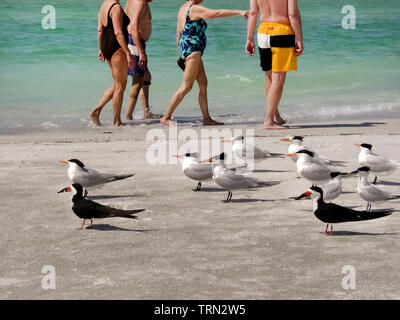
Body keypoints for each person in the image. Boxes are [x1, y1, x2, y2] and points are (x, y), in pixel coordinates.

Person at [160, 0, 248, 126]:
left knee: (203, 83)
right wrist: (240, 12)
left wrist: (181, 54)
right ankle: (166, 117)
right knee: (186, 85)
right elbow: (215, 13)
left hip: (189, 50)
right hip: (193, 51)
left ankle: (207, 119)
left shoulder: (183, 7)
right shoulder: (194, 9)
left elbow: (178, 33)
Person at [246, 0, 303, 130]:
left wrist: (249, 38)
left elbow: (253, 13)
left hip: (263, 32)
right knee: (278, 79)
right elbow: (293, 14)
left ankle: (275, 115)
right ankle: (268, 121)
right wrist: (299, 39)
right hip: (282, 32)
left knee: (269, 78)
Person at [90, 0, 133, 127]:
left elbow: (100, 30)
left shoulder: (103, 5)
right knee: (120, 86)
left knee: (117, 84)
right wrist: (128, 53)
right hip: (117, 48)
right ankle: (117, 121)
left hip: (106, 46)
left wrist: (101, 49)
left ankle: (97, 111)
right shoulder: (116, 8)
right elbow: (118, 32)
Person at [125, 0, 157, 120]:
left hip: (135, 41)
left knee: (146, 77)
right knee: (137, 81)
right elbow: (133, 26)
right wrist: (141, 52)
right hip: (134, 42)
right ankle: (128, 116)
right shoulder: (140, 2)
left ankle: (146, 112)